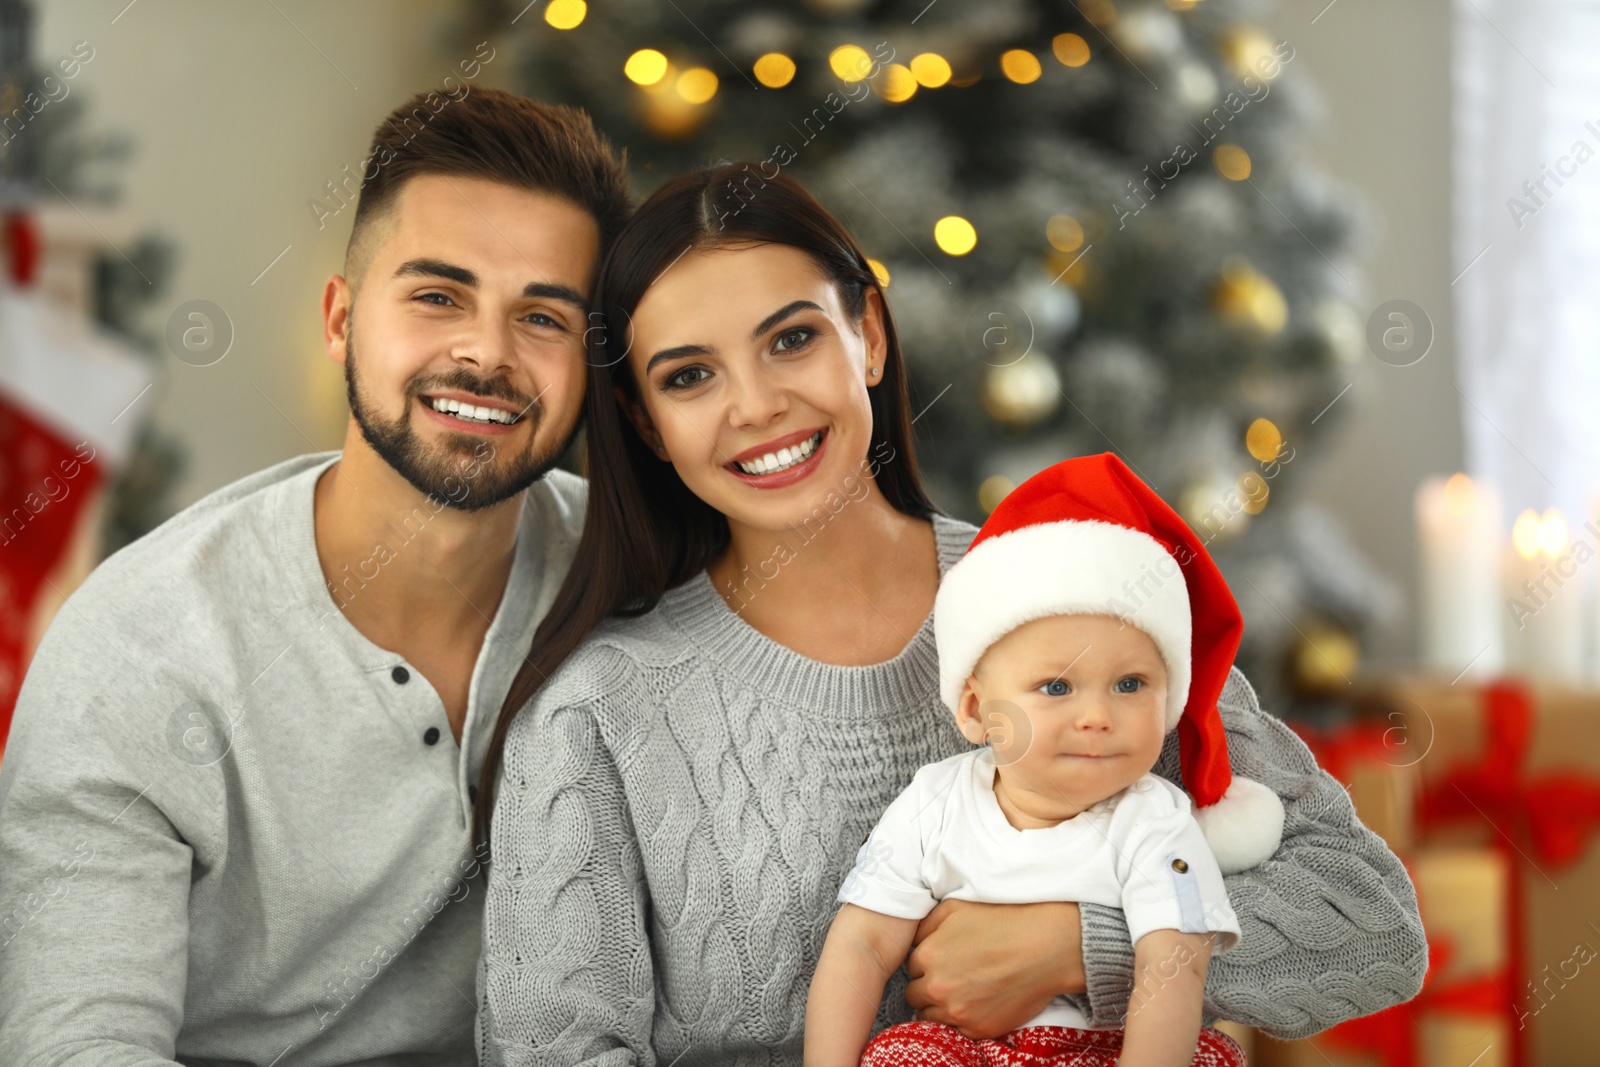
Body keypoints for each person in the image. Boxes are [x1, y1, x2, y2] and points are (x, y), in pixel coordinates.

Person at [473, 163, 1428, 1066]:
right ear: (647, 421)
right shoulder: (599, 709)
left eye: (792, 338)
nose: (756, 404)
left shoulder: (1073, 587)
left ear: (871, 337)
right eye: (689, 376)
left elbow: (1371, 926)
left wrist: (1075, 945)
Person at [0, 87, 631, 1064]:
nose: (485, 353)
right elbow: (79, 1042)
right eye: (436, 296)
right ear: (340, 319)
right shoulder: (141, 651)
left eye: (543, 317)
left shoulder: (638, 587)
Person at [806, 452, 1288, 1067]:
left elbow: (1174, 966)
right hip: (967, 1051)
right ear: (977, 711)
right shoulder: (936, 802)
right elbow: (863, 946)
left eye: (1131, 684)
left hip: (1104, 1048)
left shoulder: (1154, 821)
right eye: (1057, 687)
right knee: (899, 1054)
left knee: (1212, 1057)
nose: (1096, 715)